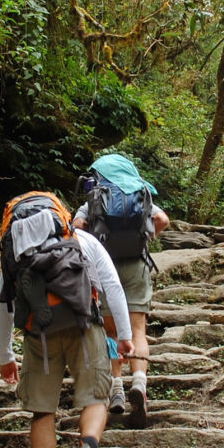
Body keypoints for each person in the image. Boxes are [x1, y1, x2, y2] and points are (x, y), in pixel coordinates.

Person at [0, 193, 134, 448]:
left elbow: (5, 303)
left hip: (39, 334)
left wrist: (6, 356)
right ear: (62, 217)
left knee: (43, 411)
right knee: (96, 397)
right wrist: (125, 337)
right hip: (83, 324)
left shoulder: (16, 250)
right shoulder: (81, 240)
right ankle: (88, 447)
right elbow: (112, 286)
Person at [72, 154, 169, 429]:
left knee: (111, 331)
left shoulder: (94, 198)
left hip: (104, 269)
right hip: (136, 266)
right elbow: (162, 219)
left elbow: (77, 227)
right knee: (138, 329)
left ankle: (116, 388)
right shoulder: (139, 193)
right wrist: (145, 238)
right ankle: (139, 383)